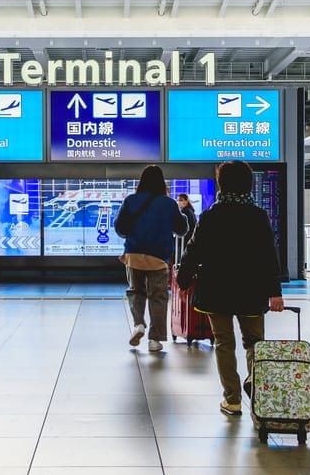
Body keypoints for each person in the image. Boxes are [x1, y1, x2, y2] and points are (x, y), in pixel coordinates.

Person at [178, 160, 284, 417]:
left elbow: (194, 250)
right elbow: (269, 255)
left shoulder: (210, 216)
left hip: (217, 290)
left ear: (221, 183)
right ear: (248, 184)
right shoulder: (258, 216)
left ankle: (232, 399)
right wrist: (275, 292)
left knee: (224, 343)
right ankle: (257, 390)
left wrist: (183, 280)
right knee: (254, 343)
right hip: (252, 290)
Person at [114, 164, 187, 353]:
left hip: (134, 254)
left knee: (135, 291)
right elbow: (182, 230)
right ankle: (155, 339)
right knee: (158, 297)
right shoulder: (169, 203)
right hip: (158, 257)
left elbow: (120, 228)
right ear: (161, 182)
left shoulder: (130, 200)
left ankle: (138, 324)